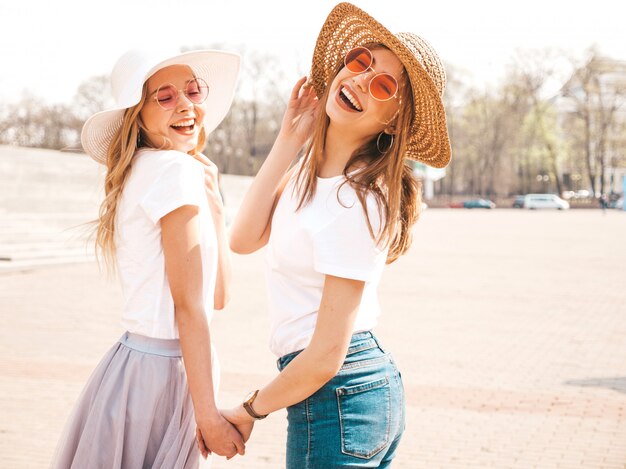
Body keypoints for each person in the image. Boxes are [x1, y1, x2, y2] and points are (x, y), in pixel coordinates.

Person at [216, 2, 451, 468]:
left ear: (392, 120)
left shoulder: (357, 199)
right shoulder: (309, 171)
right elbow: (242, 238)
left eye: (383, 84)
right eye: (362, 61)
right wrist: (289, 138)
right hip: (336, 391)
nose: (361, 79)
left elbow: (325, 354)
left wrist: (248, 410)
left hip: (337, 395)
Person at [50, 47, 245, 468]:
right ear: (137, 114)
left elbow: (218, 296)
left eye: (193, 91)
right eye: (165, 96)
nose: (187, 105)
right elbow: (191, 306)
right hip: (163, 377)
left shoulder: (152, 169)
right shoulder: (173, 172)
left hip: (136, 370)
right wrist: (209, 415)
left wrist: (215, 204)